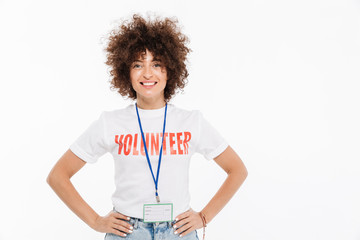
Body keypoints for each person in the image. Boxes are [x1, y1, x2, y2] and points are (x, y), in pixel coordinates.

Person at [47, 13, 248, 240]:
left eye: (156, 64)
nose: (147, 73)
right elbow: (58, 176)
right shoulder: (110, 123)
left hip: (178, 230)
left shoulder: (191, 122)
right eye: (137, 64)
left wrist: (204, 217)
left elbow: (237, 170)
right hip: (128, 231)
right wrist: (96, 221)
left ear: (170, 69)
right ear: (126, 72)